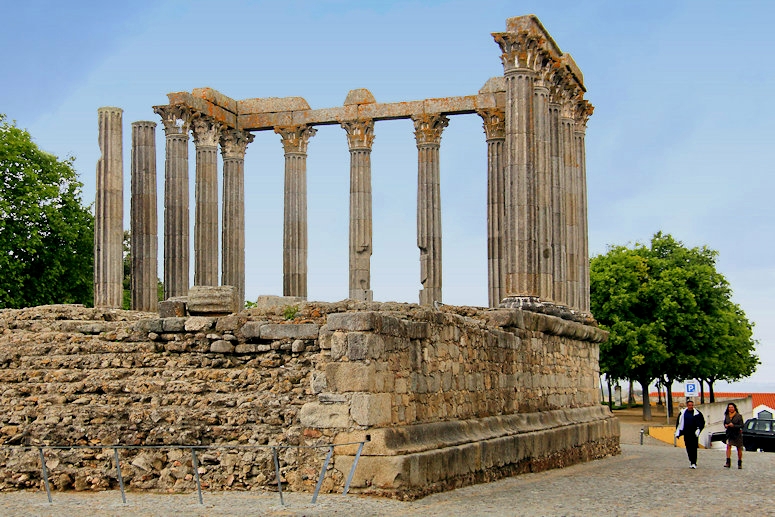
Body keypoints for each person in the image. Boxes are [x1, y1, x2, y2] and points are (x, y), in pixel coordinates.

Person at [675, 399, 705, 468]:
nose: (690, 407)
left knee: (694, 448)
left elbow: (702, 422)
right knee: (688, 447)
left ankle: (694, 462)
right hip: (686, 432)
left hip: (694, 433)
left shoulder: (697, 413)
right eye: (689, 405)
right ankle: (691, 460)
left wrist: (699, 429)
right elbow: (679, 423)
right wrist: (678, 432)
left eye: (692, 405)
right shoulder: (683, 413)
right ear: (687, 405)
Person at [723, 402, 744, 469]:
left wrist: (734, 426)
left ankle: (739, 462)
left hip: (737, 434)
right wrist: (726, 425)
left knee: (739, 448)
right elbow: (725, 422)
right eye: (729, 407)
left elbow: (742, 425)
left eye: (732, 407)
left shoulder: (739, 416)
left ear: (734, 408)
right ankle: (728, 462)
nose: (730, 409)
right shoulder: (727, 415)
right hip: (729, 433)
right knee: (728, 446)